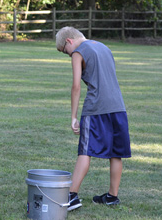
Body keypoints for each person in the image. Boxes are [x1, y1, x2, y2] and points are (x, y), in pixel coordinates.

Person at [55, 26, 131, 211]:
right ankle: (112, 196)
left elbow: (76, 87)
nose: (68, 56)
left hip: (96, 108)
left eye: (65, 52)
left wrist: (73, 116)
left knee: (85, 150)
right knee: (115, 152)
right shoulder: (104, 47)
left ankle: (71, 196)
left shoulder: (78, 52)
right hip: (118, 107)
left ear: (69, 41)